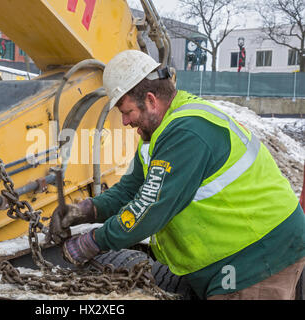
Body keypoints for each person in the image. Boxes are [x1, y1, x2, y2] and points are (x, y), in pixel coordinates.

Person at [46, 50, 305, 300]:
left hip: (257, 257)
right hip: (236, 255)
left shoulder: (187, 131)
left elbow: (150, 208)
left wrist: (92, 242)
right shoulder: (158, 135)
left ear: (150, 100)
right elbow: (129, 190)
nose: (125, 122)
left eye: (127, 113)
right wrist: (85, 210)